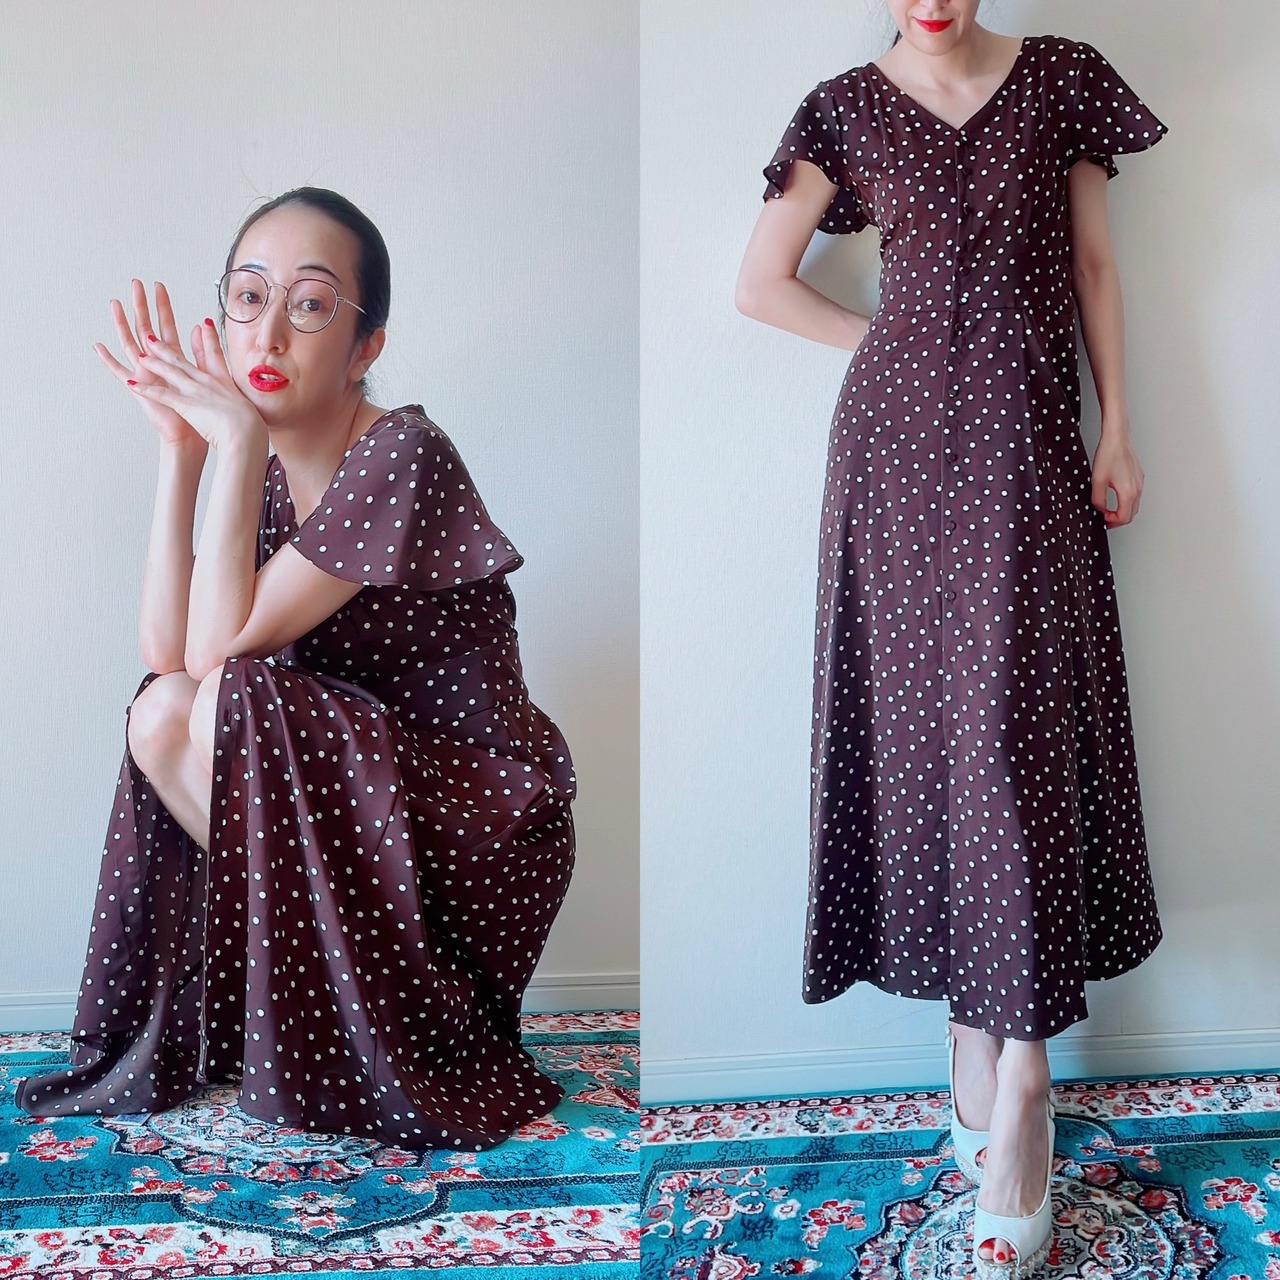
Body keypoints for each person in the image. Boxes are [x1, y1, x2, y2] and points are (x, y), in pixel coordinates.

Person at [736, 3, 1164, 1274]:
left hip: (1029, 445)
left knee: (1011, 739)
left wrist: (1116, 426)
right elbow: (758, 283)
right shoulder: (841, 109)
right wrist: (896, 343)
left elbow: (1092, 265)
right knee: (931, 745)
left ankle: (1020, 1072)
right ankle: (975, 1027)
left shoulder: (1063, 79)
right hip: (894, 459)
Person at [17, 187, 576, 1153]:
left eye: (311, 304)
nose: (268, 332)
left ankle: (393, 1026)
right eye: (248, 297)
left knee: (231, 694)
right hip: (362, 804)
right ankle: (328, 1018)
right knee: (159, 712)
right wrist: (182, 452)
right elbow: (167, 655)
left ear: (366, 348)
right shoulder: (263, 473)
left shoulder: (403, 451)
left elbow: (221, 657)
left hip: (475, 822)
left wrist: (235, 439)